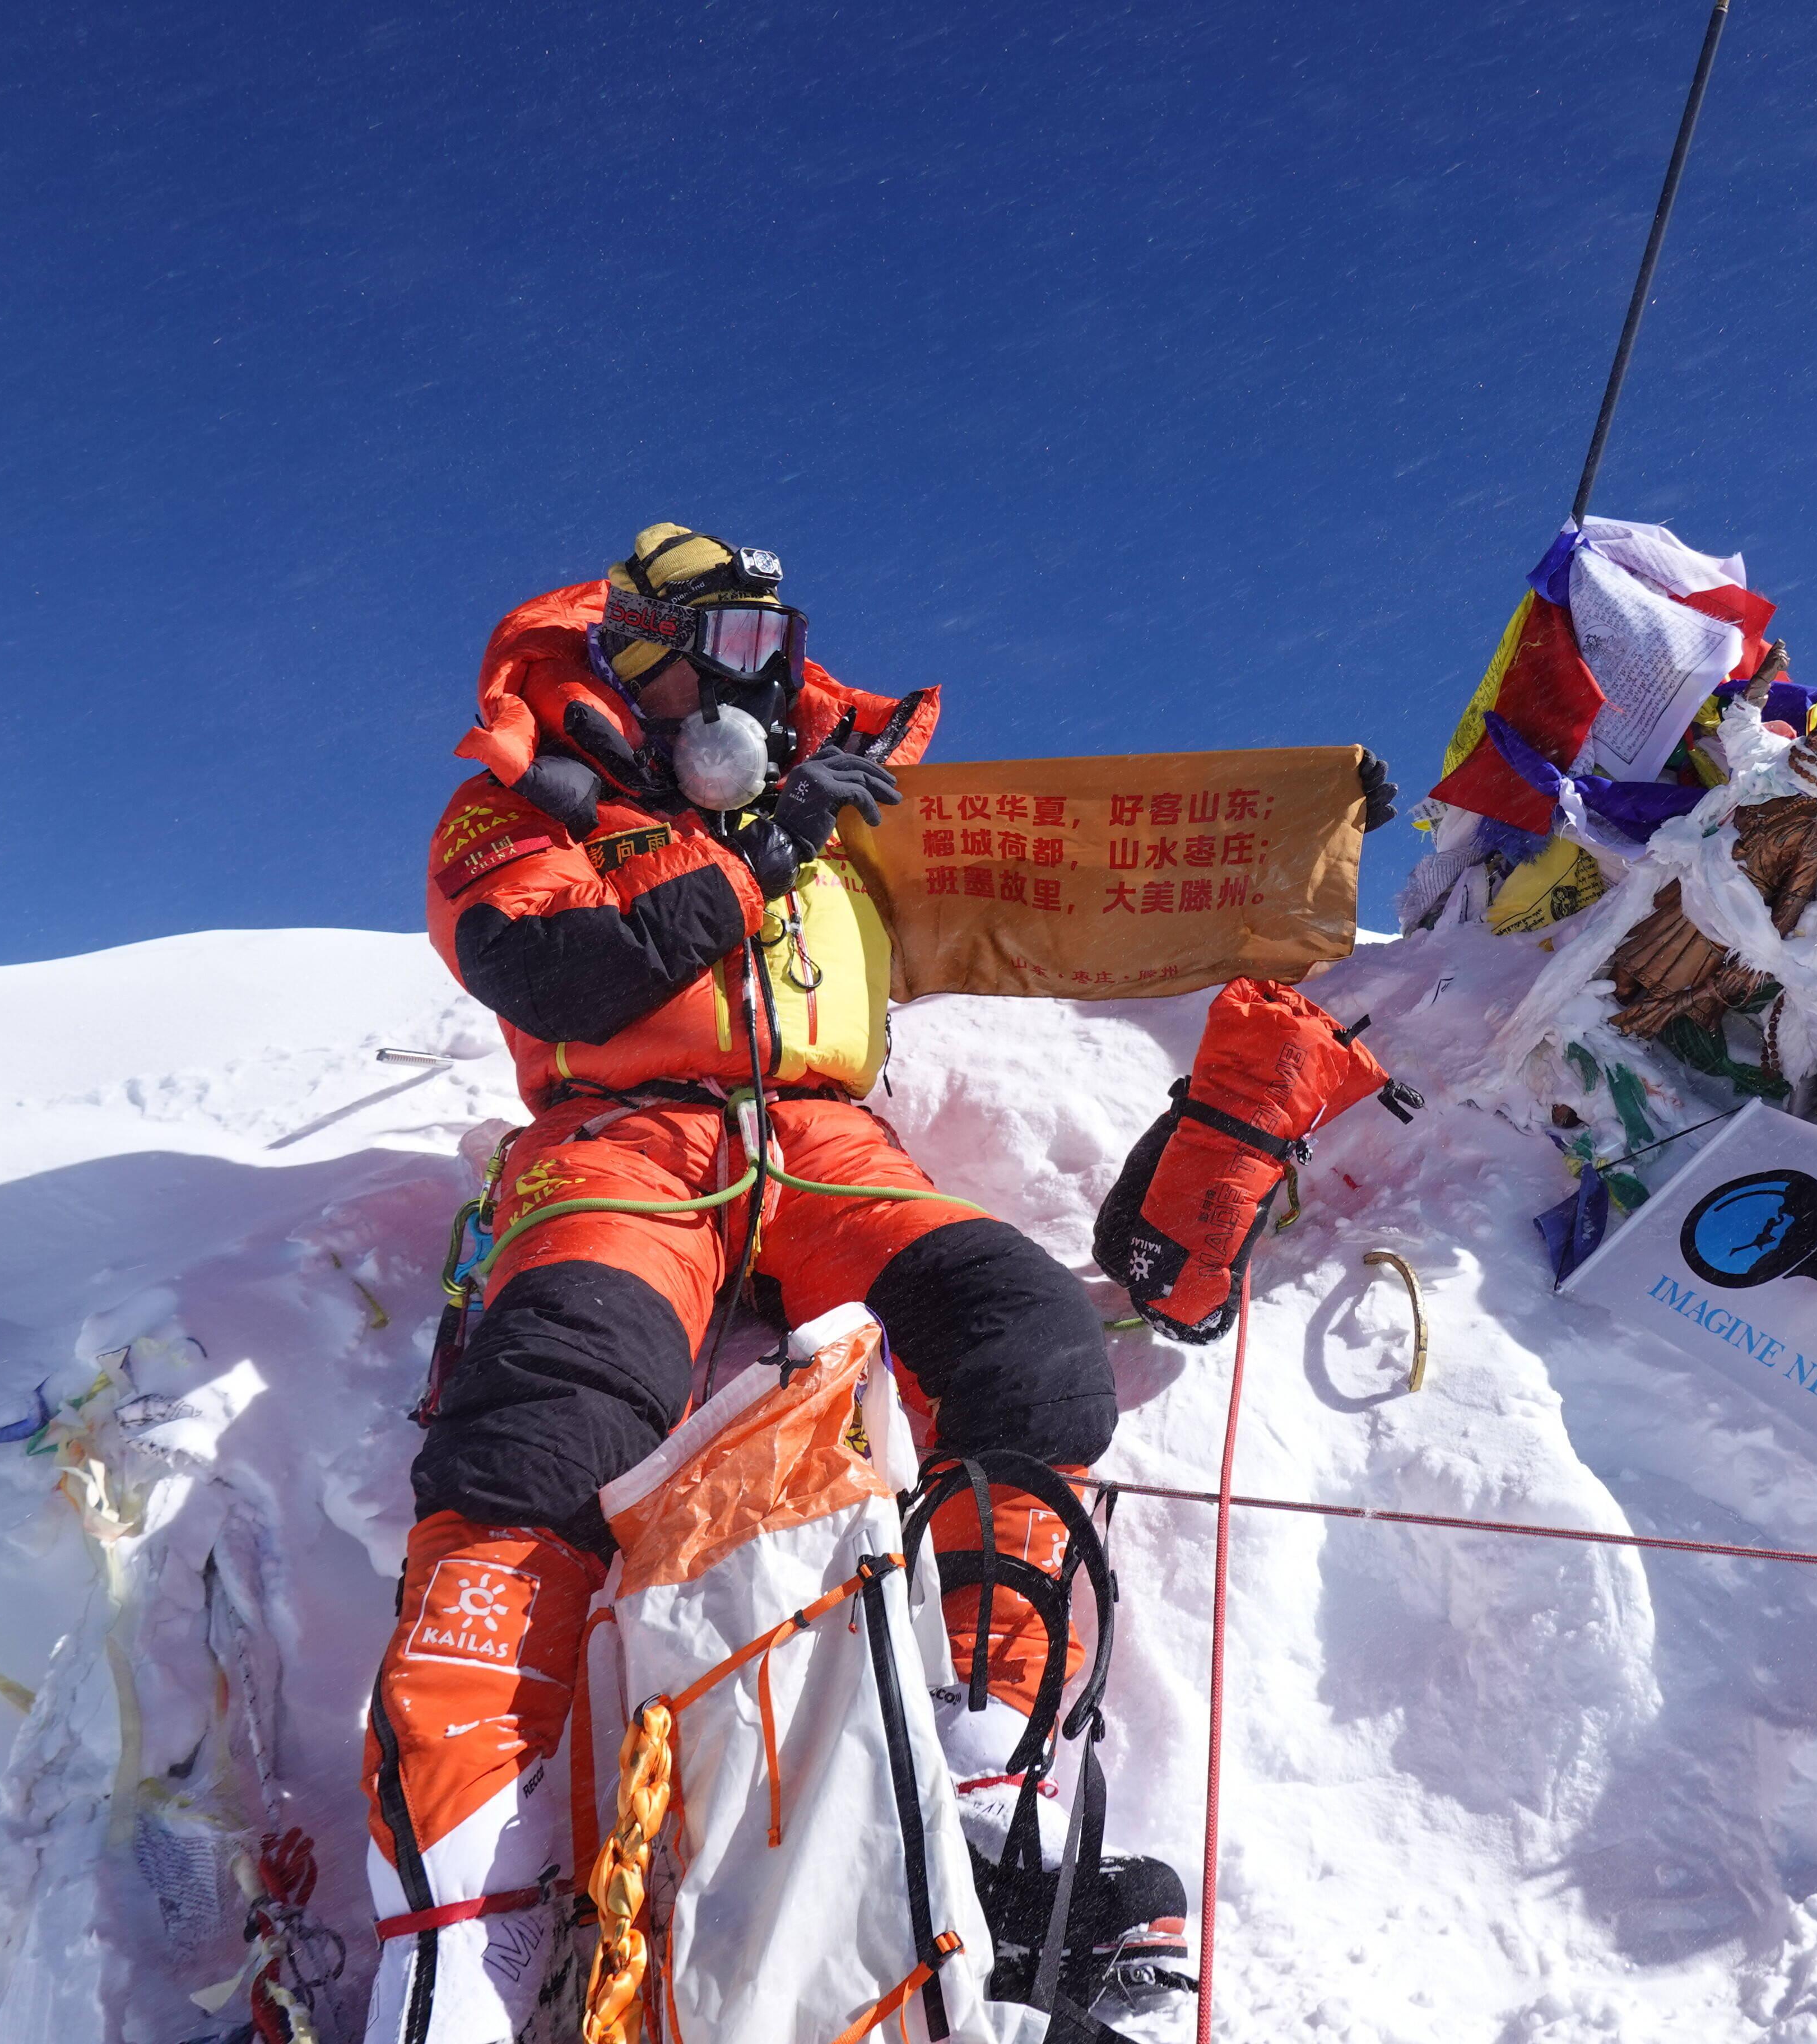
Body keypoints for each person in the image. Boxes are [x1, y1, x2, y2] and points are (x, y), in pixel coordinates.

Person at [363, 523, 1395, 2043]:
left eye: (776, 657)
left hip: (834, 1147)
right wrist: (754, 857)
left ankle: (987, 1788)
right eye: (726, 653)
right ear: (632, 660)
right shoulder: (524, 808)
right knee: (546, 1420)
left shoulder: (842, 822)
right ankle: (474, 1927)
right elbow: (558, 975)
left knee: (1028, 1344)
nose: (759, 689)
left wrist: (1282, 844)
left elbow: (1065, 880)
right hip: (624, 1142)